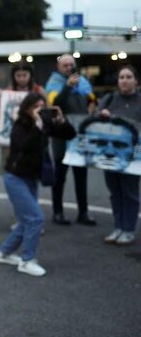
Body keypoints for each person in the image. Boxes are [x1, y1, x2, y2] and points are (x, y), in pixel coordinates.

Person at [0, 92, 76, 277]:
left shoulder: (45, 124)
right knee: (35, 218)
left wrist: (61, 121)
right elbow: (24, 145)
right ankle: (27, 260)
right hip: (14, 178)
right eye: (35, 107)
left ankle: (4, 252)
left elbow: (70, 134)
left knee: (27, 220)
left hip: (31, 178)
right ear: (27, 108)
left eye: (42, 106)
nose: (39, 110)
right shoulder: (20, 124)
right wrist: (39, 125)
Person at [45, 53, 97, 226]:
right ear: (59, 68)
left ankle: (83, 212)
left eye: (71, 65)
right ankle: (58, 212)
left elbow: (92, 100)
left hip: (79, 132)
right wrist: (67, 87)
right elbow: (55, 104)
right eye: (65, 65)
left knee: (81, 175)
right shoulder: (54, 83)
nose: (69, 68)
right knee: (60, 175)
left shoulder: (82, 82)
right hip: (61, 134)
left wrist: (92, 107)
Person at [97, 65, 141, 245]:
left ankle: (129, 229)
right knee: (115, 192)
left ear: (136, 81)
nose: (124, 80)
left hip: (132, 155)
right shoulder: (109, 99)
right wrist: (101, 114)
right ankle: (118, 227)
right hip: (110, 153)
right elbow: (94, 118)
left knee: (130, 192)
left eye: (129, 77)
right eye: (121, 77)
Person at [0, 61, 45, 175]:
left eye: (24, 75)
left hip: (32, 136)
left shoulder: (39, 91)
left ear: (30, 75)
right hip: (11, 137)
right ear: (13, 76)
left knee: (31, 170)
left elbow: (46, 114)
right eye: (18, 76)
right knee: (10, 168)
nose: (21, 79)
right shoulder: (7, 92)